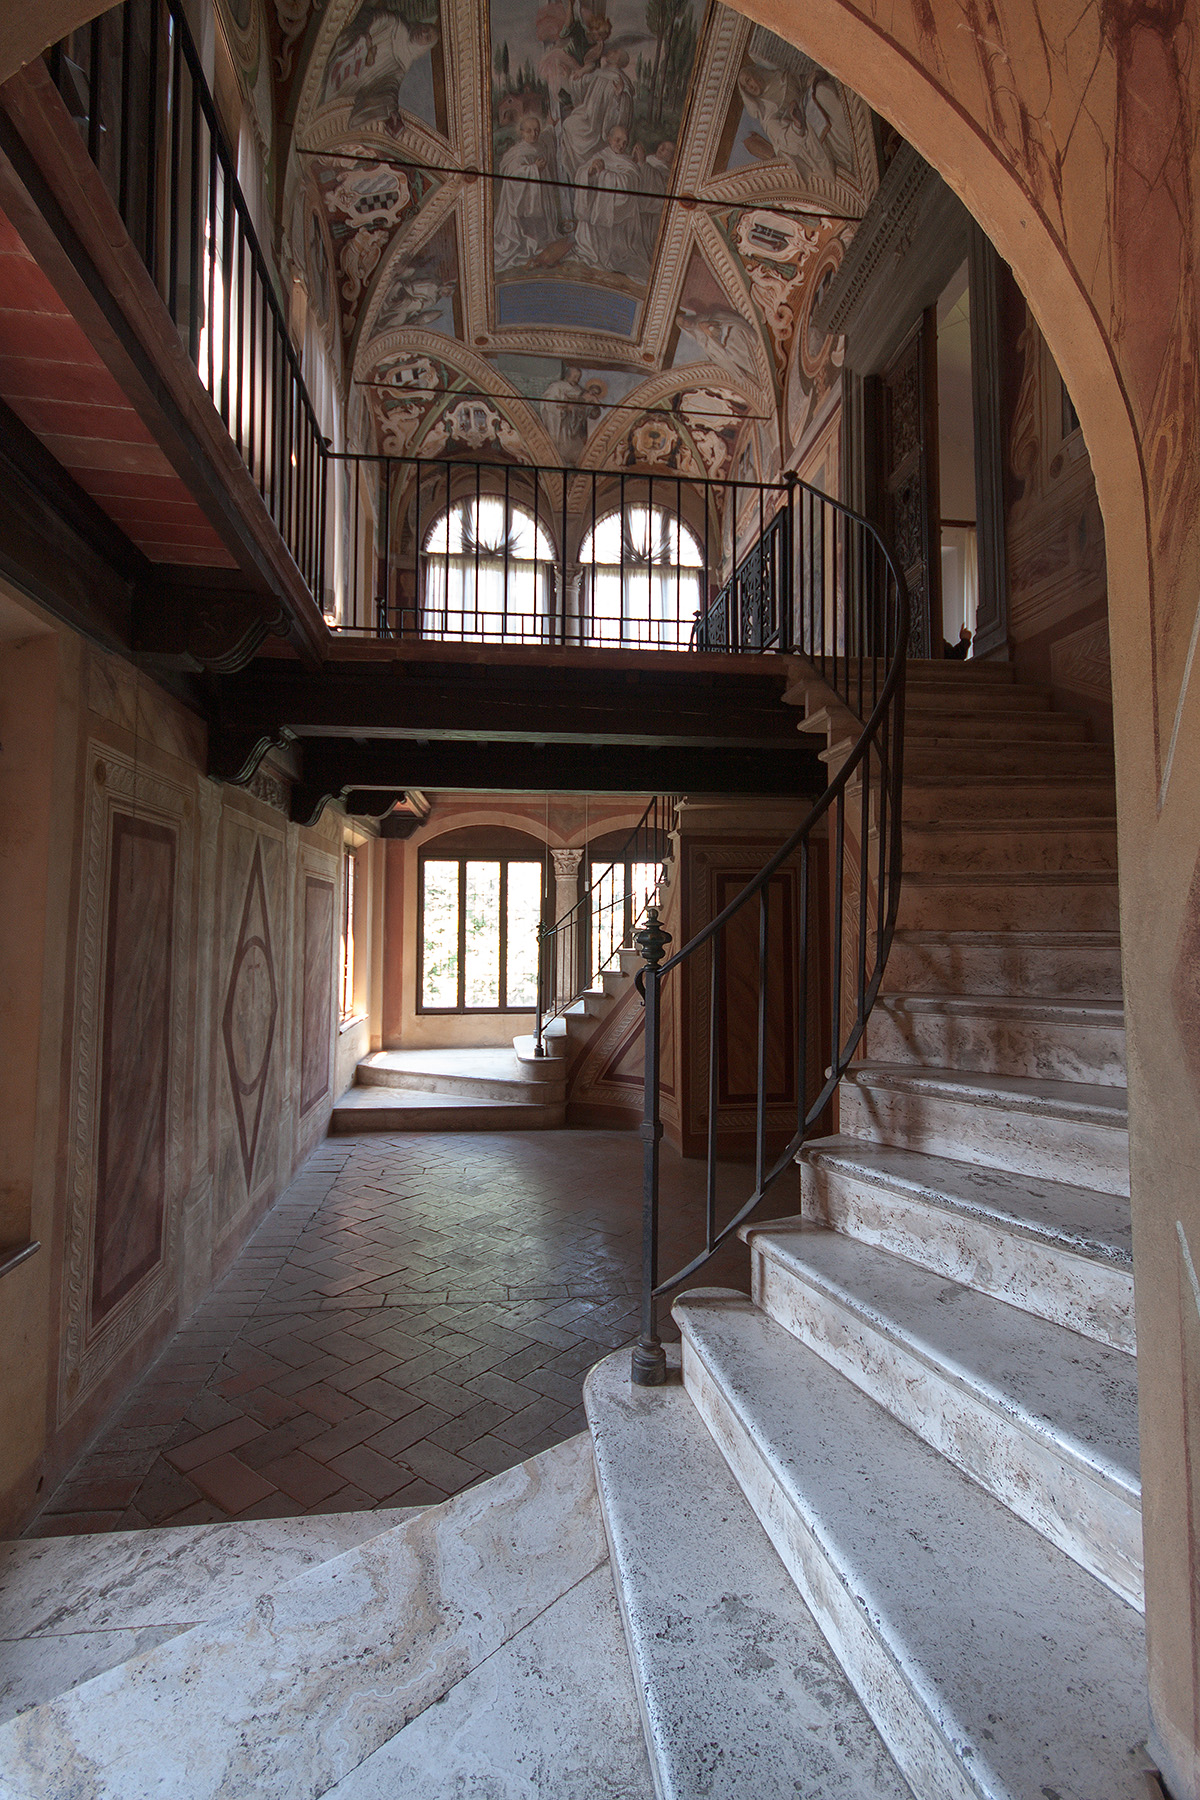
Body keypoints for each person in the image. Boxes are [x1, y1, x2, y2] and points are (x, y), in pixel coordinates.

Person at [574, 125, 649, 282]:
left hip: (618, 217)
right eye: (617, 140)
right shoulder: (600, 155)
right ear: (609, 139)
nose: (621, 145)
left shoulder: (628, 163)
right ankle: (593, 252)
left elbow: (628, 183)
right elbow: (581, 173)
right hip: (595, 211)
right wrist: (590, 172)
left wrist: (603, 174)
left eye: (624, 142)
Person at [493, 115, 564, 271]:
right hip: (523, 202)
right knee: (526, 235)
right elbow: (513, 177)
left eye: (537, 131)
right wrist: (534, 169)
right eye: (529, 131)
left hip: (539, 197)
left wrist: (550, 126)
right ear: (522, 133)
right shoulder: (518, 153)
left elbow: (546, 138)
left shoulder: (539, 144)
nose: (534, 134)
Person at [555, 47, 634, 184]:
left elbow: (622, 116)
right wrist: (569, 75)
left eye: (614, 51)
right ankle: (579, 175)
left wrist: (618, 95)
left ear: (619, 60)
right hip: (587, 117)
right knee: (569, 124)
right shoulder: (601, 73)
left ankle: (585, 176)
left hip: (600, 127)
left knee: (571, 127)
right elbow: (582, 83)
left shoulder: (620, 80)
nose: (610, 51)